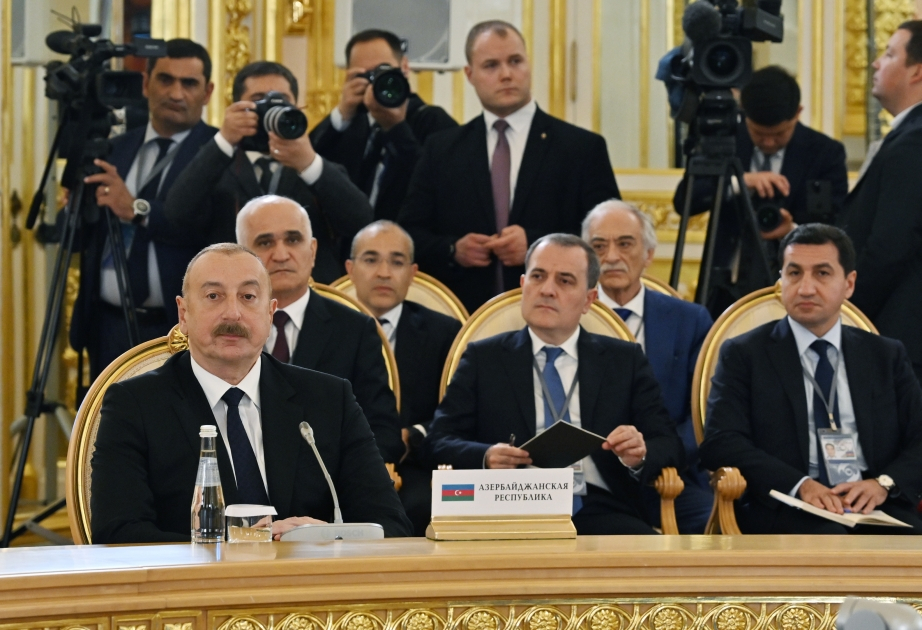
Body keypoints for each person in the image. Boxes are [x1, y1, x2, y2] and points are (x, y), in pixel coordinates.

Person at [90, 243, 413, 543]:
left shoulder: (329, 399)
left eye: (248, 297)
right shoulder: (135, 405)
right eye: (214, 296)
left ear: (270, 313)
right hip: (195, 583)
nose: (233, 314)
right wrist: (239, 546)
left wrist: (325, 538)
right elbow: (118, 534)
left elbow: (391, 524)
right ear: (184, 313)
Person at [423, 234, 683, 535]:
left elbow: (669, 444)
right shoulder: (484, 358)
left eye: (565, 281)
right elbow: (438, 441)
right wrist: (485, 455)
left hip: (599, 505)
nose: (547, 290)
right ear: (523, 285)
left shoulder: (624, 360)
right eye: (538, 276)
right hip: (508, 503)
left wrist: (639, 453)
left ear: (589, 300)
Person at [699, 224, 922, 534]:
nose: (805, 288)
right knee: (833, 542)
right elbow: (721, 442)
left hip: (873, 505)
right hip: (786, 507)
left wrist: (883, 484)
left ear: (849, 284)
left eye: (822, 274)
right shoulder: (744, 354)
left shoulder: (885, 355)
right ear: (781, 281)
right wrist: (800, 484)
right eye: (794, 273)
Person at [399, 20, 620, 313]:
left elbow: (607, 237)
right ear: (470, 74)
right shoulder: (441, 149)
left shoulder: (581, 148)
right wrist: (453, 250)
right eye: (491, 65)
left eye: (515, 61)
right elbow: (409, 234)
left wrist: (536, 243)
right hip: (462, 315)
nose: (506, 74)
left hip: (559, 314)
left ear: (528, 64)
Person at [70, 39, 217, 380]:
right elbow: (78, 238)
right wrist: (74, 207)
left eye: (189, 83)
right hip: (106, 325)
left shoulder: (217, 154)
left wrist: (136, 209)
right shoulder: (114, 148)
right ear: (146, 84)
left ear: (207, 92)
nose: (176, 93)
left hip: (176, 330)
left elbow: (203, 227)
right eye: (165, 79)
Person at [164, 61, 372, 283]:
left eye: (282, 100)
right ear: (237, 107)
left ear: (296, 107)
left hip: (309, 294)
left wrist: (308, 163)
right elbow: (176, 215)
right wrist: (224, 140)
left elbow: (360, 222)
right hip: (235, 292)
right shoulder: (218, 167)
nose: (272, 108)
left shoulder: (315, 167)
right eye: (259, 101)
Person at [235, 195, 403, 465]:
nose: (281, 255)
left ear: (312, 250)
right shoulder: (223, 328)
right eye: (265, 243)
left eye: (293, 240)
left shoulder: (355, 330)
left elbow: (383, 434)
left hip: (328, 481)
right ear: (241, 256)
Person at [581, 200, 714, 533]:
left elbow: (702, 412)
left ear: (649, 254)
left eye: (625, 244)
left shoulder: (689, 320)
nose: (612, 257)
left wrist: (652, 457)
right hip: (589, 479)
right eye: (599, 246)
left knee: (717, 527)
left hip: (668, 476)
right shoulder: (570, 315)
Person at [676, 66, 848, 318]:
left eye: (779, 134)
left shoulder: (825, 153)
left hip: (796, 287)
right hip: (724, 284)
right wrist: (739, 181)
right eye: (758, 133)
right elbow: (684, 201)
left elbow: (837, 225)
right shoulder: (725, 143)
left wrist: (792, 229)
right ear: (743, 114)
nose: (768, 142)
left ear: (798, 113)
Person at [345, 220, 463, 535]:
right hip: (342, 460)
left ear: (412, 273)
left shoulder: (444, 332)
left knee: (422, 504)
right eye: (371, 260)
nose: (384, 272)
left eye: (396, 262)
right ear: (350, 269)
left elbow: (457, 411)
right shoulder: (328, 328)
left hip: (415, 463)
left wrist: (414, 434)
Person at [841, 20, 922, 384]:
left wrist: (845, 308)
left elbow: (891, 246)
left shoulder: (914, 141)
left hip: (902, 337)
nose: (875, 63)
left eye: (889, 55)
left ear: (916, 71)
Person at [310, 29, 458, 221]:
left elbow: (439, 187)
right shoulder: (353, 125)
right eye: (365, 75)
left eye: (384, 71)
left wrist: (395, 128)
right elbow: (309, 164)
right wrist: (342, 113)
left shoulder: (433, 121)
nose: (377, 82)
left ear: (404, 67)